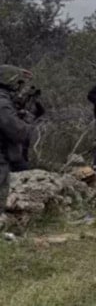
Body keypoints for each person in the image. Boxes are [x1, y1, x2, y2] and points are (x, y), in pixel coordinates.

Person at [0, 65, 39, 225]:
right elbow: (18, 133)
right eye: (19, 83)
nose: (20, 88)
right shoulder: (3, 103)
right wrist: (28, 120)